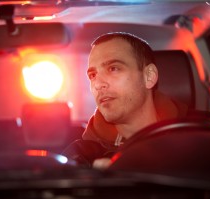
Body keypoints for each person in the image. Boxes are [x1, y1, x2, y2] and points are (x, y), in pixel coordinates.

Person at [62, 32, 188, 169]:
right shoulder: (81, 157)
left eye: (113, 68)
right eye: (93, 75)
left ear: (149, 76)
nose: (98, 84)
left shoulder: (201, 135)